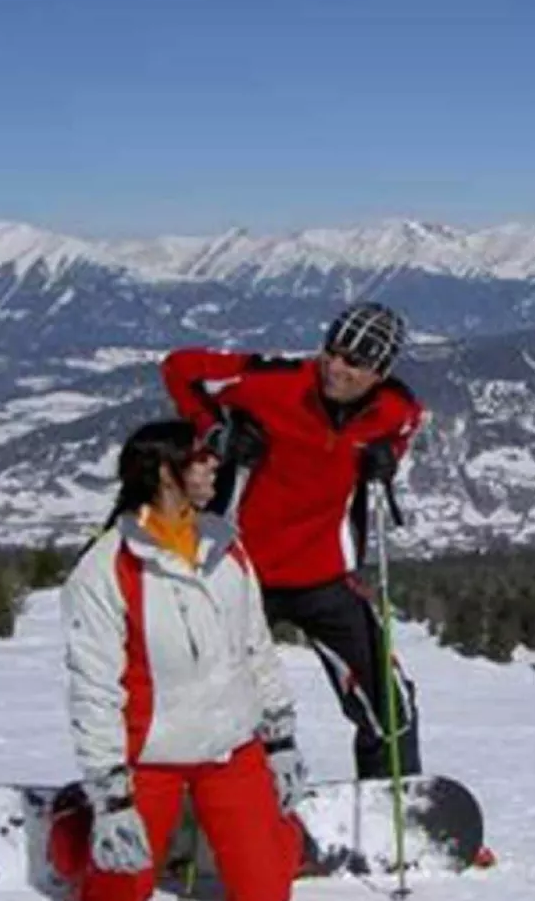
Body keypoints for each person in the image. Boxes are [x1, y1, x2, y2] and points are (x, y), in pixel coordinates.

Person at [49, 418, 307, 901]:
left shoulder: (226, 548)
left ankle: (271, 832)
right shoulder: (106, 570)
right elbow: (95, 689)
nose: (214, 464)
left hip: (229, 747)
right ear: (166, 474)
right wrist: (110, 800)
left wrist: (279, 739)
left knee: (265, 900)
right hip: (151, 756)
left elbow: (256, 647)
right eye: (199, 457)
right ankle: (71, 825)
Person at [159, 301, 426, 781]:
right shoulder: (272, 383)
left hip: (326, 578)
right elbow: (179, 368)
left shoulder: (394, 408)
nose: (336, 368)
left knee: (391, 706)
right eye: (332, 352)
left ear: (380, 372)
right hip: (241, 573)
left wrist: (388, 455)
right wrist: (215, 432)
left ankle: (393, 810)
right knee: (214, 704)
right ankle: (205, 812)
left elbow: (405, 426)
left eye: (355, 362)